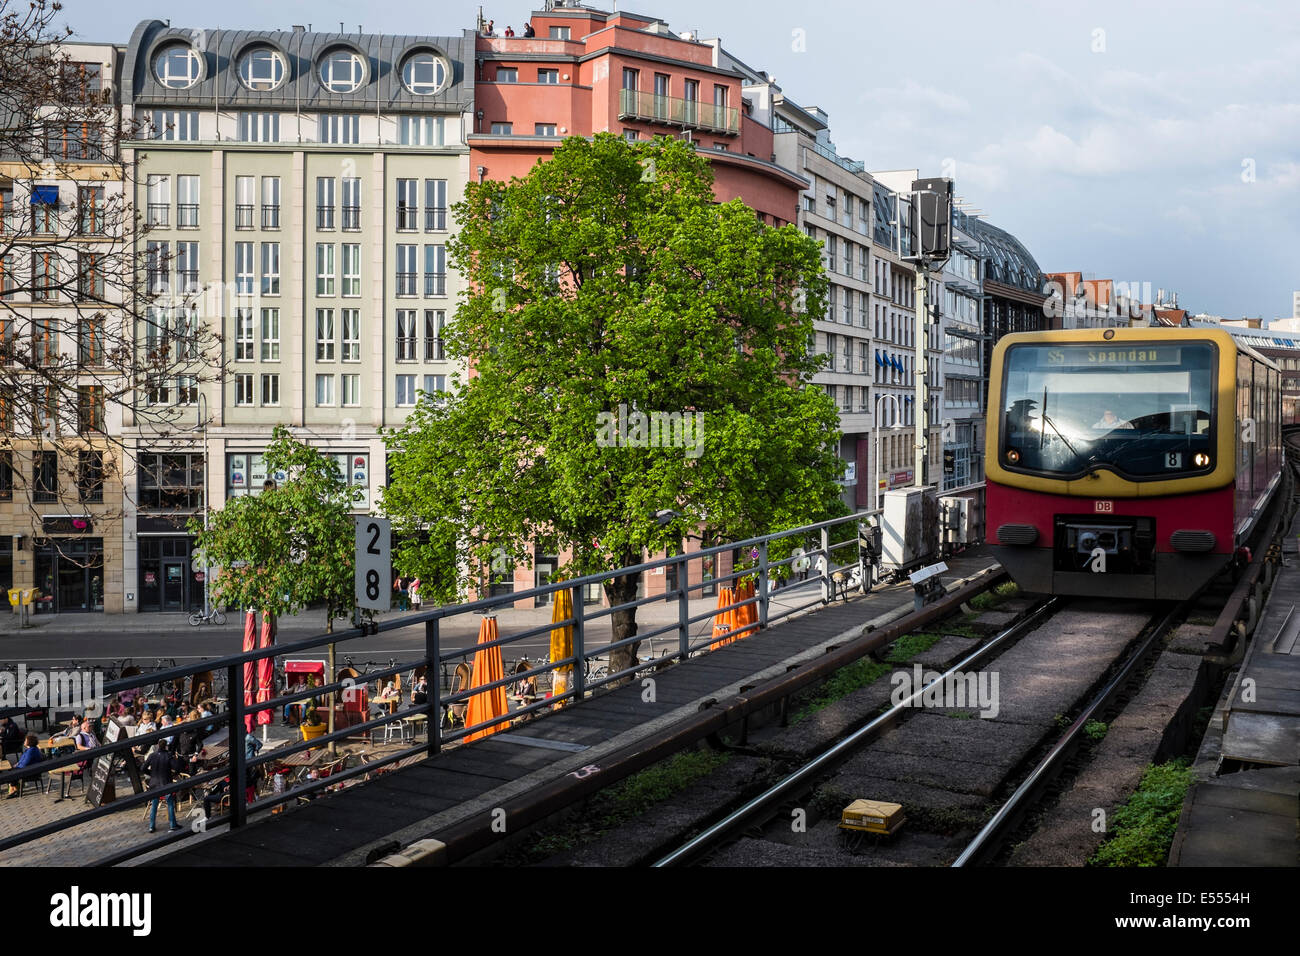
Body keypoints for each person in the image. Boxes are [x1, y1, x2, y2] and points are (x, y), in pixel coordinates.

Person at [142, 739, 181, 832]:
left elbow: (143, 768)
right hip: (166, 782)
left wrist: (151, 773)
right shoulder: (168, 755)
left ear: (158, 746)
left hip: (154, 783)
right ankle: (172, 824)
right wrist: (173, 774)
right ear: (166, 746)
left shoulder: (152, 755)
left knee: (154, 805)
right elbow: (177, 767)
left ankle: (151, 826)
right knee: (170, 804)